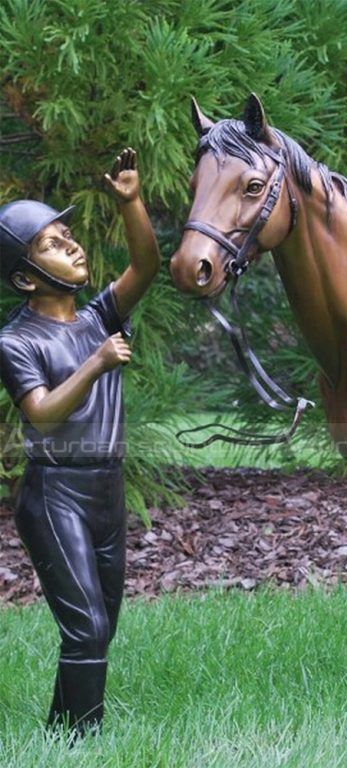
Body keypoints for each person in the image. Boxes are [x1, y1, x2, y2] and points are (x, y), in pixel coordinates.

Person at [0, 148, 159, 738]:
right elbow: (40, 414)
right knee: (86, 627)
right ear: (25, 276)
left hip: (105, 489)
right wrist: (95, 363)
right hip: (55, 492)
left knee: (99, 628)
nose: (70, 246)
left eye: (68, 235)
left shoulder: (98, 316)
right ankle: (86, 740)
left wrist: (132, 203)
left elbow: (145, 265)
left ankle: (62, 734)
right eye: (50, 244)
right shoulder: (17, 340)